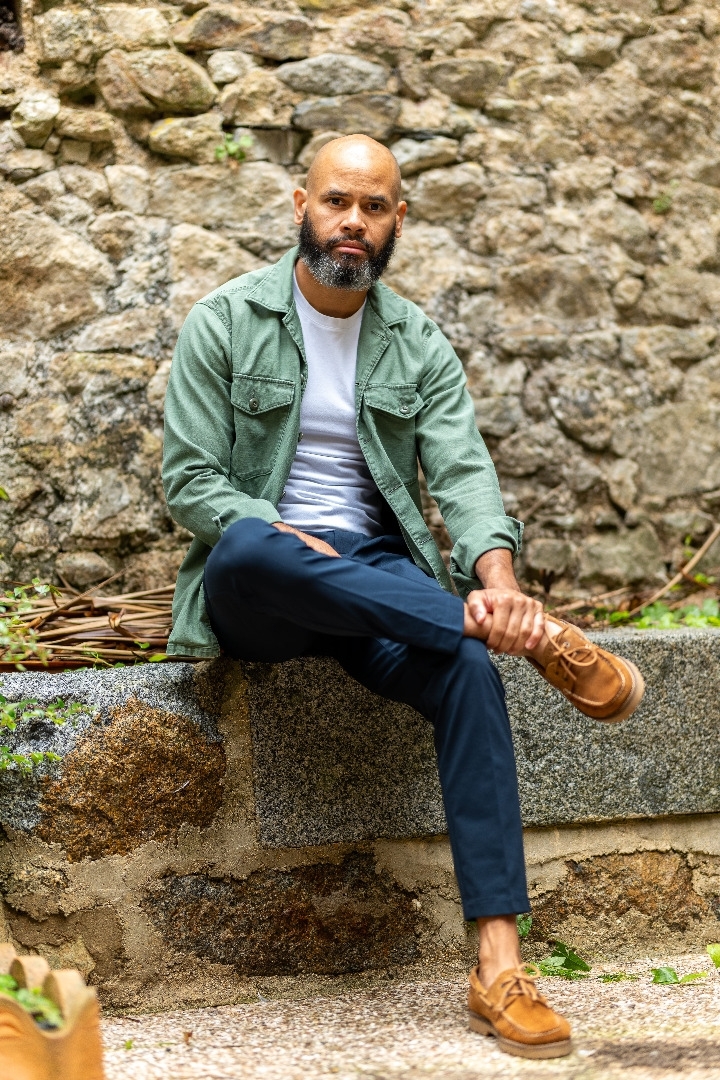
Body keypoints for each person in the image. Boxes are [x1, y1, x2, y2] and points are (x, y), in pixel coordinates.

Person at [162, 134, 645, 1060]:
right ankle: (517, 635)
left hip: (378, 581)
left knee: (467, 666)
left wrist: (499, 585)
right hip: (269, 577)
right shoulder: (224, 321)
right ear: (300, 205)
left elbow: (463, 473)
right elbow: (191, 483)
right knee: (253, 547)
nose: (354, 221)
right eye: (337, 201)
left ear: (397, 220)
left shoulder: (415, 340)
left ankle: (499, 966)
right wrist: (281, 531)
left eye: (374, 207)